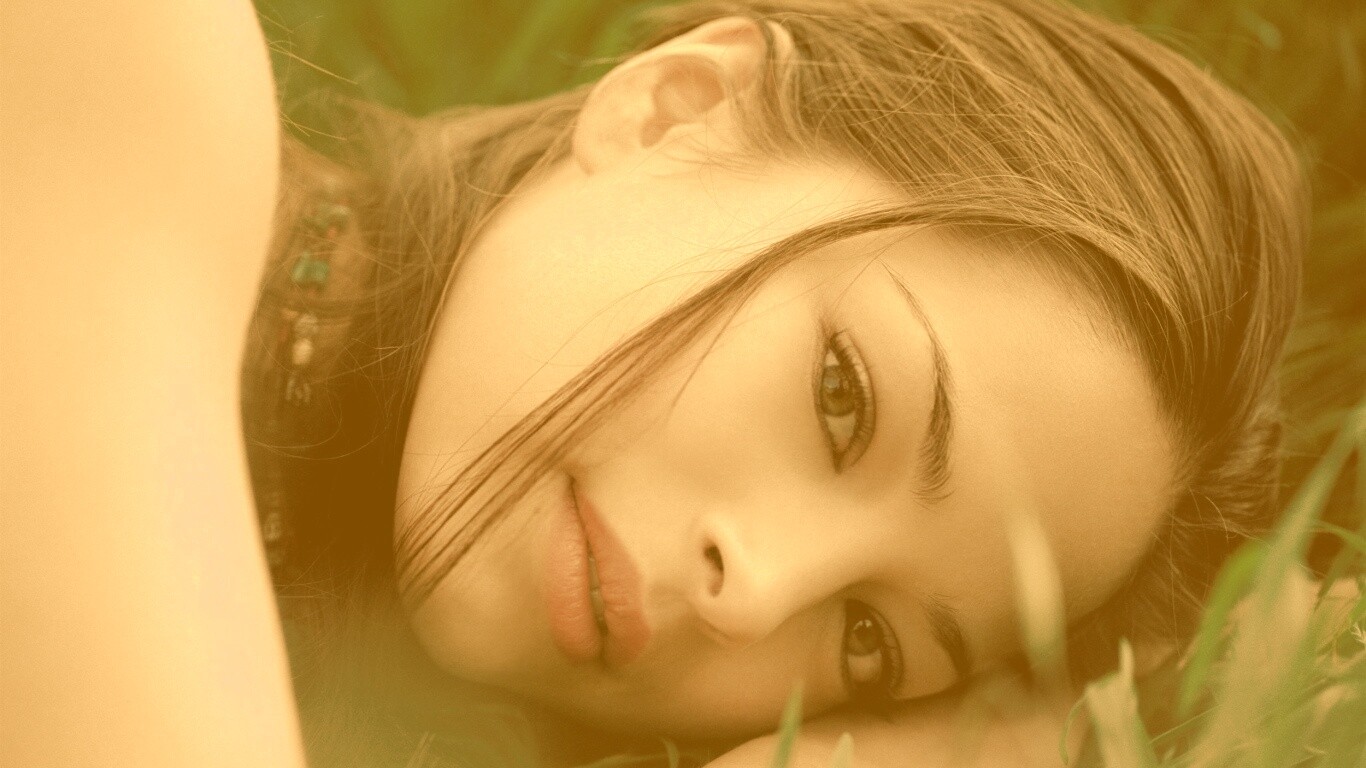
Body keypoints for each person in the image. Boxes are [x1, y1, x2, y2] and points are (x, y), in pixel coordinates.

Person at [2, 0, 1307, 766]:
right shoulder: (121, 75)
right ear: (675, 109)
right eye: (842, 398)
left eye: (869, 644)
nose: (759, 595)